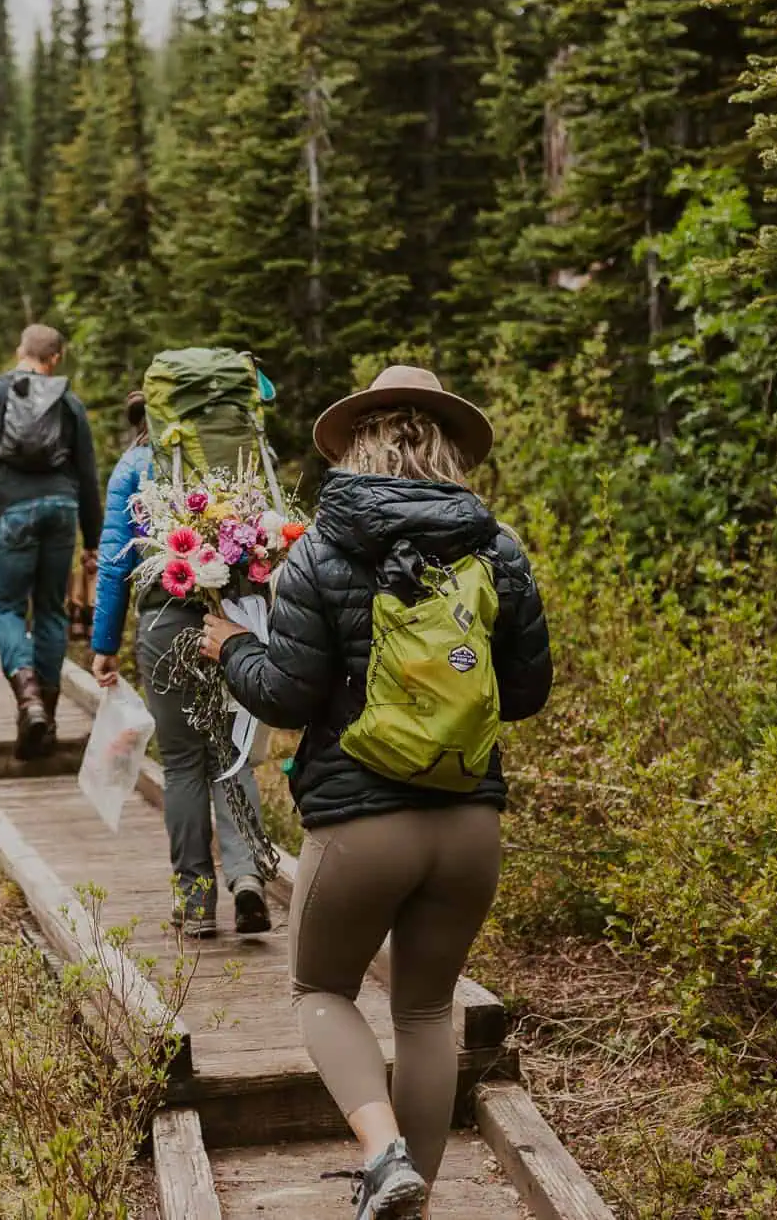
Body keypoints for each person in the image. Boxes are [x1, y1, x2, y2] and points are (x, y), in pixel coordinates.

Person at [200, 366, 552, 1220]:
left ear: (359, 441)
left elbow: (286, 694)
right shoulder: (497, 545)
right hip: (470, 822)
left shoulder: (322, 547)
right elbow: (529, 689)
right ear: (447, 445)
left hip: (362, 823)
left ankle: (381, 1152)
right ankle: (413, 1201)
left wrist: (227, 648)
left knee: (320, 991)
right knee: (428, 1008)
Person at [92, 388, 272, 940]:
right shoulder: (237, 453)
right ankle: (247, 879)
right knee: (232, 751)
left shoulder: (134, 465)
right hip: (237, 620)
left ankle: (195, 901)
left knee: (182, 763)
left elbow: (113, 560)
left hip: (165, 621)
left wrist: (104, 643)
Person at [0, 325, 103, 757]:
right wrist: (93, 541)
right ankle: (45, 721)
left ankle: (28, 699)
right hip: (62, 512)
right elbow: (88, 476)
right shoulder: (68, 402)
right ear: (55, 359)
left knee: (9, 610)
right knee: (50, 611)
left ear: (20, 351)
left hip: (13, 512)